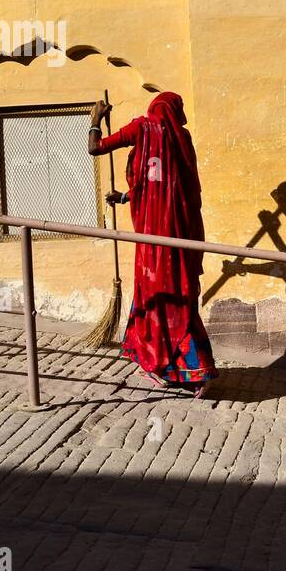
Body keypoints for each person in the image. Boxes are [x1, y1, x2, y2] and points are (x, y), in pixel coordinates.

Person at [87, 92, 216, 396]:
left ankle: (159, 363)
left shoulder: (141, 128)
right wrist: (125, 197)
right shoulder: (182, 139)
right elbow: (171, 188)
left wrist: (96, 119)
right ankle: (192, 371)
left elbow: (95, 148)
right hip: (179, 238)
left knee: (155, 297)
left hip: (151, 240)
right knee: (180, 298)